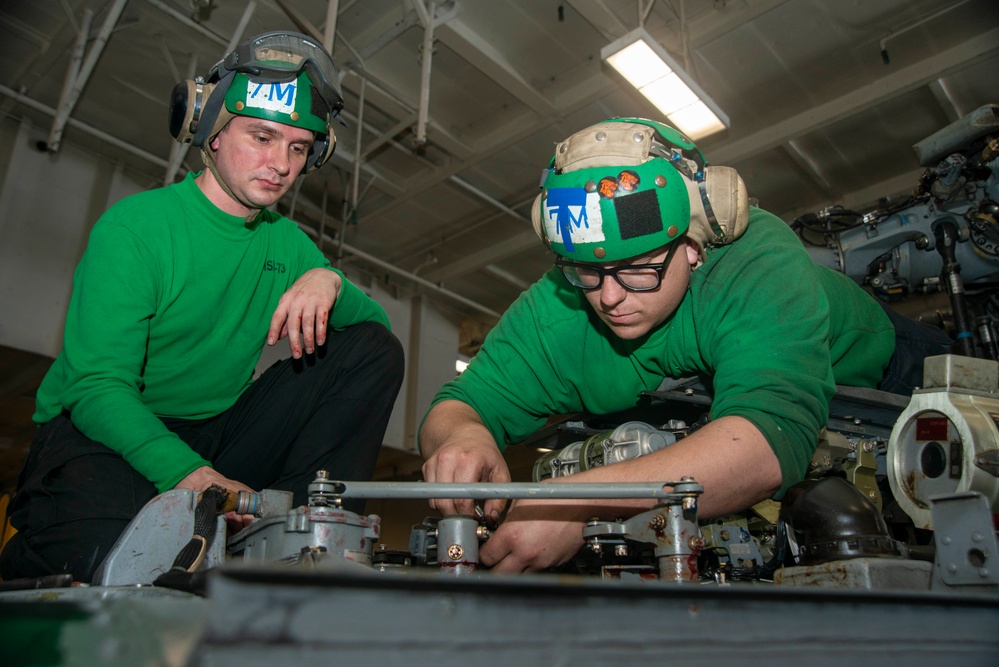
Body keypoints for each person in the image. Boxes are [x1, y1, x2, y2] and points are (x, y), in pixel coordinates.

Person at [419, 117, 953, 574]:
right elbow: (456, 405)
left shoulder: (756, 261)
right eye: (589, 270)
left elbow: (764, 447)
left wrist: (577, 507)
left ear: (696, 245)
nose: (608, 297)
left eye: (640, 270)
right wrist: (462, 439)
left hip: (890, 375)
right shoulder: (558, 305)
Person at [0, 32, 404, 583]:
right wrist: (193, 477)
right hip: (102, 433)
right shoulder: (136, 228)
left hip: (215, 431)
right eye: (262, 137)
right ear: (211, 132)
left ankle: (303, 539)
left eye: (298, 147)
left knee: (374, 349)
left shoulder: (288, 245)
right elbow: (96, 387)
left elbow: (374, 337)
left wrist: (326, 279)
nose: (280, 164)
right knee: (113, 567)